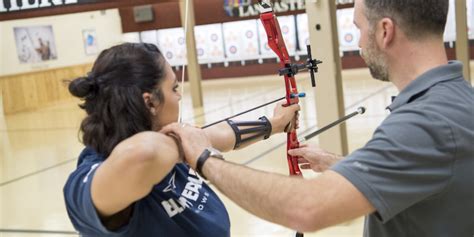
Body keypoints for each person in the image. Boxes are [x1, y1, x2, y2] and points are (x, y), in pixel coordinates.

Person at [162, 0, 474, 236]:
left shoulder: (424, 123)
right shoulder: (456, 98)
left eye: (358, 28)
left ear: (385, 31)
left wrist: (205, 158)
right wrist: (340, 165)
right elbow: (416, 175)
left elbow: (306, 208)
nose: (358, 42)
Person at [63, 42, 300, 236]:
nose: (179, 96)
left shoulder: (168, 145)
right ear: (150, 102)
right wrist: (190, 146)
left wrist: (274, 124)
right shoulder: (92, 177)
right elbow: (144, 154)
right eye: (174, 88)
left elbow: (217, 135)